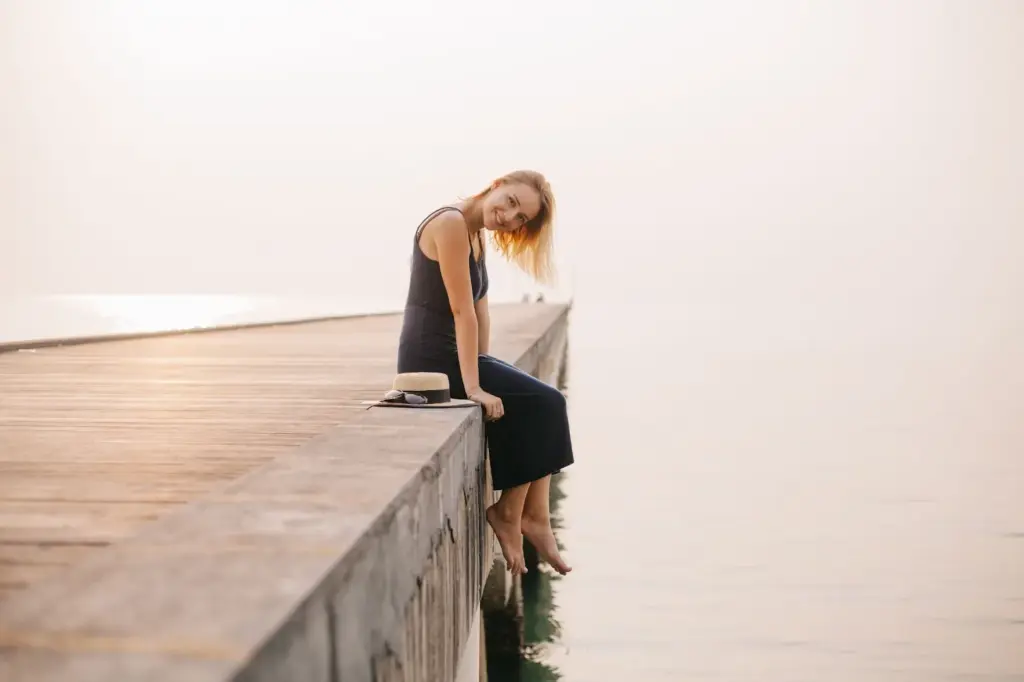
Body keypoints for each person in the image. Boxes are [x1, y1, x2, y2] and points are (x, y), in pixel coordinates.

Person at [397, 170, 574, 576]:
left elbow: (481, 311)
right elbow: (460, 310)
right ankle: (515, 515)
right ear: (496, 184)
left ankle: (532, 517)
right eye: (511, 202)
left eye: (520, 219)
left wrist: (487, 367)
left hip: (452, 355)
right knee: (547, 402)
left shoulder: (476, 237)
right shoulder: (450, 224)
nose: (509, 217)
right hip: (429, 357)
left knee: (541, 401)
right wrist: (475, 385)